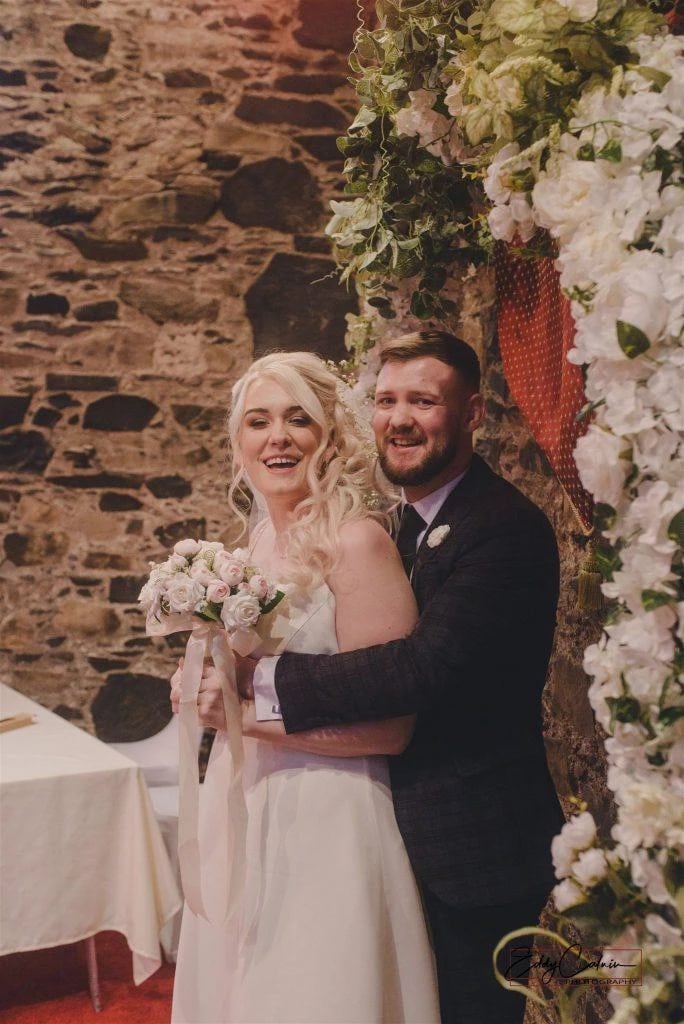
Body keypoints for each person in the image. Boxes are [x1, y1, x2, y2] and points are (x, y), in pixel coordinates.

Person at [230, 331, 565, 1024]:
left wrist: (252, 686)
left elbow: (420, 668)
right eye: (386, 401)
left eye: (423, 401)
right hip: (396, 832)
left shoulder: (503, 528)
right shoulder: (399, 520)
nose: (400, 419)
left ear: (472, 413)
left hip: (475, 847)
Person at [170, 351, 440, 1024]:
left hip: (327, 815)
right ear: (239, 442)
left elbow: (392, 729)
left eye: (298, 419)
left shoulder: (358, 544)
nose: (278, 438)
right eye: (258, 422)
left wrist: (238, 715)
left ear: (330, 434)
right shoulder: (257, 541)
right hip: (242, 799)